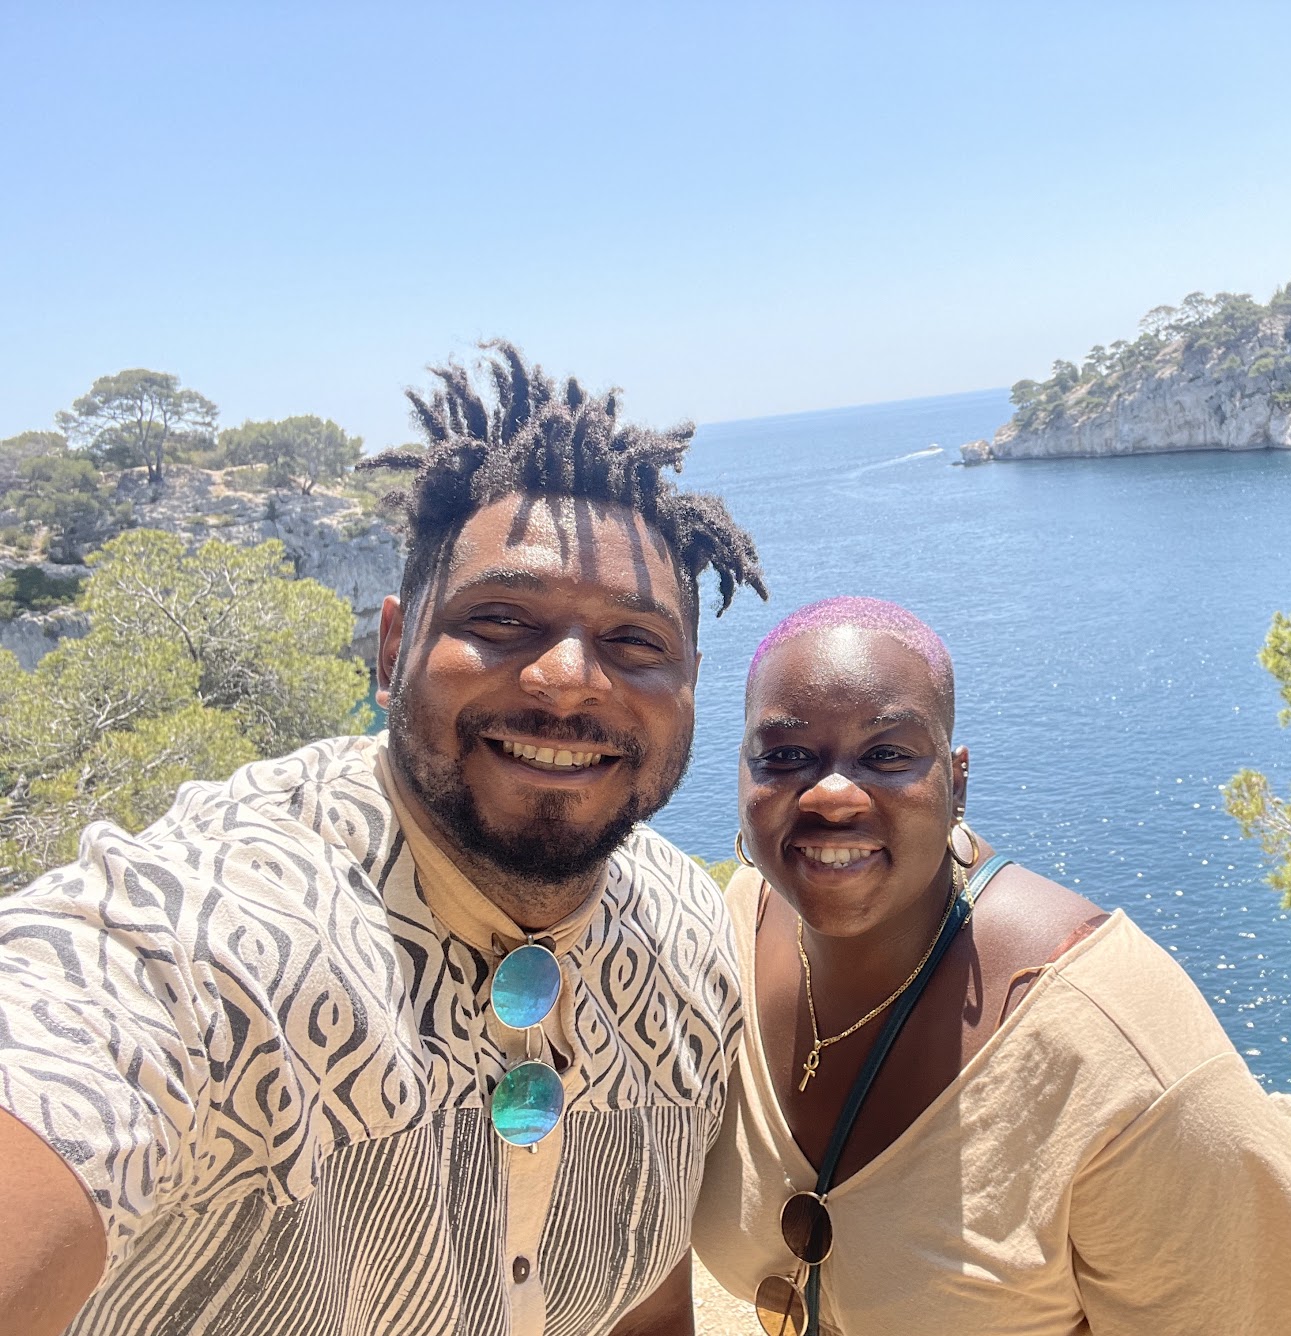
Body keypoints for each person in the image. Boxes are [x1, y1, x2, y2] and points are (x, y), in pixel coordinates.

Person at [0, 342, 767, 1336]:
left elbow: (641, 1295)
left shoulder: (688, 939)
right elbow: (70, 1036)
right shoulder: (209, 929)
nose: (571, 677)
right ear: (394, 644)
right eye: (501, 618)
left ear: (690, 680)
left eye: (636, 643)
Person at [692, 597, 1291, 1335]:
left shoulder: (1110, 1042)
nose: (832, 794)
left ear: (956, 782)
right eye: (785, 757)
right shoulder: (738, 926)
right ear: (744, 776)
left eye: (888, 755)